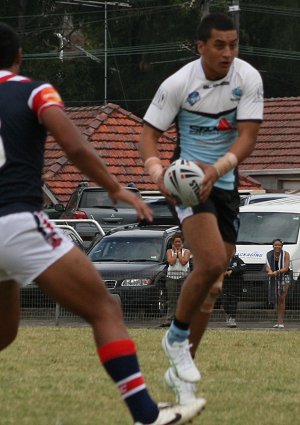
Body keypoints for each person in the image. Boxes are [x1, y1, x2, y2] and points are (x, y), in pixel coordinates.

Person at [0, 23, 206, 425]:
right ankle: (147, 415)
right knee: (105, 308)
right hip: (17, 222)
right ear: (20, 58)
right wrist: (115, 188)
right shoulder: (33, 90)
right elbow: (74, 144)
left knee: (4, 331)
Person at [139, 12, 263, 405]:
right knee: (209, 263)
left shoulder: (248, 78)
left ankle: (182, 375)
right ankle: (175, 337)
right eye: (220, 45)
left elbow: (247, 138)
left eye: (234, 44)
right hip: (189, 185)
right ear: (201, 47)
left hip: (224, 184)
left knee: (213, 284)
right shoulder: (178, 83)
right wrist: (159, 173)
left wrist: (219, 169)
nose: (228, 53)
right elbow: (148, 136)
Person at [162, 232, 191, 327]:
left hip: (183, 277)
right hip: (171, 278)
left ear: (182, 242)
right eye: (175, 242)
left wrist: (179, 252)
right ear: (173, 243)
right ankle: (170, 318)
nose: (177, 244)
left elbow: (183, 261)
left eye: (179, 242)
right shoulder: (169, 252)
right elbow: (171, 262)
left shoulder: (186, 251)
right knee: (172, 299)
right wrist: (175, 253)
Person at [265, 239, 291, 329]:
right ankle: (278, 322)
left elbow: (286, 268)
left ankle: (281, 322)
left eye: (279, 245)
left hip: (285, 277)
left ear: (282, 246)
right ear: (273, 246)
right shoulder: (269, 254)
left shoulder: (286, 254)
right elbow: (267, 266)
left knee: (282, 298)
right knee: (276, 299)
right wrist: (270, 271)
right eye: (275, 245)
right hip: (274, 277)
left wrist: (276, 272)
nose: (277, 246)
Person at [221, 247, 246, 328]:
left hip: (235, 286)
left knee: (233, 303)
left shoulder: (238, 260)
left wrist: (232, 270)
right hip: (224, 286)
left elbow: (243, 268)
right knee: (225, 303)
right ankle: (228, 315)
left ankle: (232, 319)